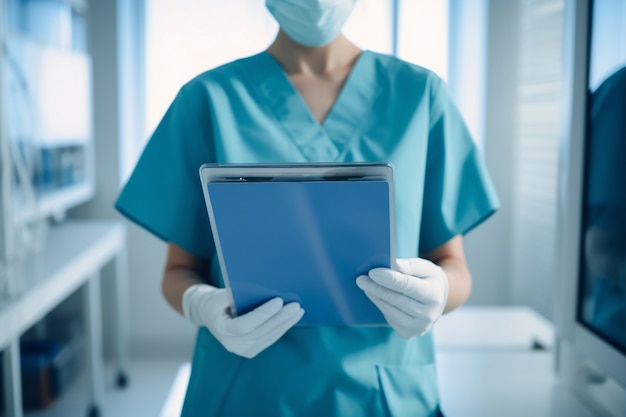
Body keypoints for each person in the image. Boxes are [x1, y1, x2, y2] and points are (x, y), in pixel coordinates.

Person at [115, 0, 499, 415]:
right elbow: (177, 273)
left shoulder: (421, 96)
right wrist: (204, 307)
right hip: (247, 391)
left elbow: (453, 267)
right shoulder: (208, 99)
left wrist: (438, 293)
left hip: (382, 393)